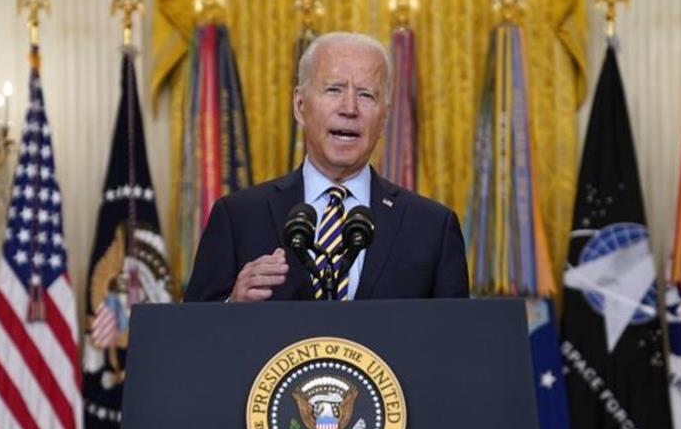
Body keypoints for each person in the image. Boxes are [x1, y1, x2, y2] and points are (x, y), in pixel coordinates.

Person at [183, 31, 469, 302]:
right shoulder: (237, 217)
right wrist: (233, 305)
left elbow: (455, 335)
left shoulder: (432, 228)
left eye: (366, 95)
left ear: (384, 117)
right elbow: (192, 329)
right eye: (334, 90)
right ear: (300, 105)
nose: (349, 108)